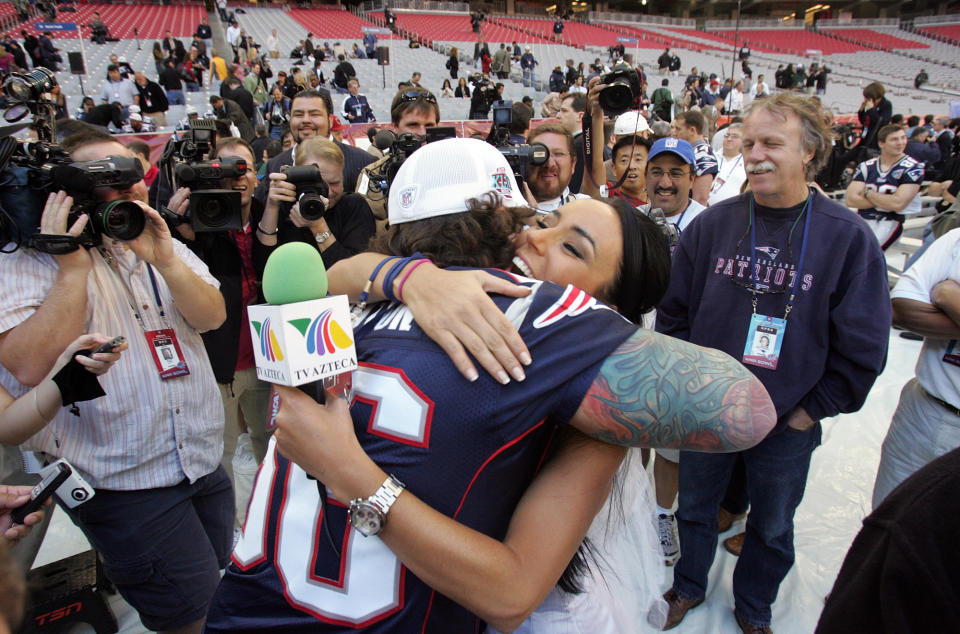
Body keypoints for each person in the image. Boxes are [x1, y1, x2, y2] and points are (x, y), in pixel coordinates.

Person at [204, 136, 777, 633]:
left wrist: (349, 471)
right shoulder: (494, 307)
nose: (534, 241)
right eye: (543, 222)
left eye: (573, 247)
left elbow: (334, 277)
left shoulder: (355, 312)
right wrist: (405, 277)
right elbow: (746, 410)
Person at [657, 92, 891, 633]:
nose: (756, 154)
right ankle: (689, 584)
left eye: (772, 143)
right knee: (694, 508)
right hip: (708, 411)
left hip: (788, 420)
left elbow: (864, 345)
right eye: (750, 140)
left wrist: (808, 412)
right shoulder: (714, 226)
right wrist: (693, 385)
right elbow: (674, 315)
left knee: (772, 524)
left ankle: (755, 606)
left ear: (809, 152)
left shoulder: (848, 239)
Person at [0, 129, 229, 634]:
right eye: (107, 179)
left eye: (133, 176)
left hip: (200, 462)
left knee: (221, 593)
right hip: (127, 484)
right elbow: (29, 367)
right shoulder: (25, 258)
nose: (130, 192)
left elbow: (212, 316)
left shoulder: (154, 239)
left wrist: (165, 260)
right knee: (192, 619)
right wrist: (70, 267)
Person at [256, 136, 377, 270]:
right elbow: (263, 266)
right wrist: (272, 206)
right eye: (319, 184)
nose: (329, 192)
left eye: (335, 183)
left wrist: (318, 226)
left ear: (343, 177)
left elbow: (355, 272)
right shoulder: (285, 203)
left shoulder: (353, 206)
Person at [254, 89, 375, 200]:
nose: (306, 120)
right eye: (298, 114)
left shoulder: (364, 163)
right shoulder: (274, 166)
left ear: (330, 120)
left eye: (314, 114)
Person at [358, 87, 441, 221]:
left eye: (429, 125)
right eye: (413, 125)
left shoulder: (452, 166)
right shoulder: (373, 173)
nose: (422, 132)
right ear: (395, 126)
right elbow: (370, 227)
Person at [845, 124, 923, 251]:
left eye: (903, 138)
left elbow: (898, 204)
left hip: (889, 222)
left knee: (864, 254)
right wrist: (886, 201)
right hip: (862, 220)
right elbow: (851, 200)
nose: (900, 143)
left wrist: (868, 193)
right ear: (881, 143)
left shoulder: (913, 168)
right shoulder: (866, 166)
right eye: (894, 139)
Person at [525, 124, 590, 212]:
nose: (549, 164)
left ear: (573, 164)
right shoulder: (508, 208)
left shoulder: (585, 208)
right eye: (540, 153)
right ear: (525, 161)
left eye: (558, 154)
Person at [670, 111, 718, 206]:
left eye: (678, 129)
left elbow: (700, 199)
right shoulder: (690, 151)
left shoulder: (703, 156)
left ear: (692, 130)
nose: (674, 132)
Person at [709, 123, 747, 206]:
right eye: (727, 135)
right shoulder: (711, 157)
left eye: (735, 136)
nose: (729, 139)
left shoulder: (746, 162)